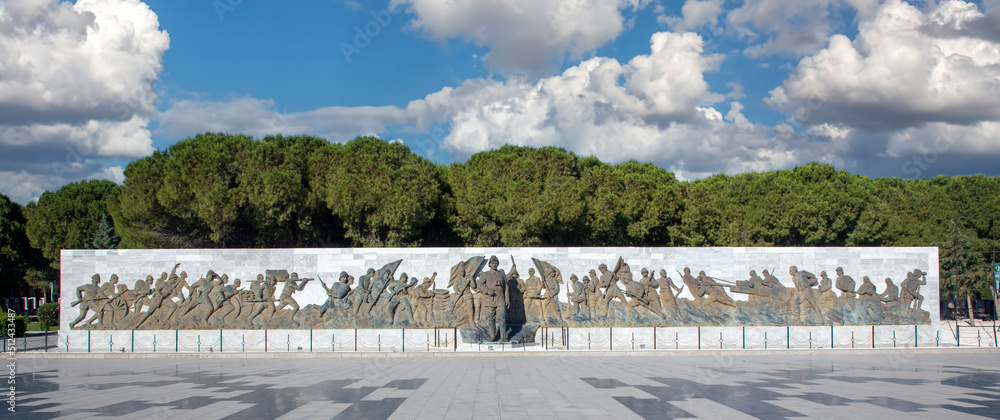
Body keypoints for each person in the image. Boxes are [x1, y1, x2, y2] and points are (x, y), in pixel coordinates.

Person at [477, 256, 509, 342]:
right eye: (492, 263)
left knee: (502, 317)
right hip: (490, 298)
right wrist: (487, 290)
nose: (494, 265)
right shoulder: (485, 274)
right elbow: (479, 285)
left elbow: (506, 286)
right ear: (489, 264)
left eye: (496, 263)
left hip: (500, 298)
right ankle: (493, 336)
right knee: (491, 318)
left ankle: (503, 337)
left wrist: (507, 298)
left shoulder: (501, 274)